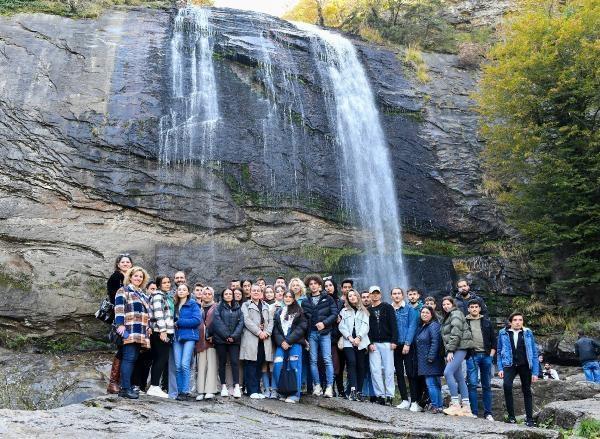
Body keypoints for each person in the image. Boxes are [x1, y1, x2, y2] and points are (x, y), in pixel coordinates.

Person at [114, 266, 151, 399]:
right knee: (128, 358)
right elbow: (119, 308)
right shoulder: (123, 290)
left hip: (141, 331)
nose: (138, 278)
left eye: (141, 276)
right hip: (129, 329)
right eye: (136, 276)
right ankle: (124, 389)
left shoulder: (143, 294)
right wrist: (120, 324)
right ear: (130, 277)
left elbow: (148, 313)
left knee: (133, 358)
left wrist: (149, 327)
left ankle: (127, 387)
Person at [497, 312, 540, 427]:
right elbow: (499, 351)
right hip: (509, 364)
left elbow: (534, 353)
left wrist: (535, 372)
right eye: (515, 320)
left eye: (520, 320)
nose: (518, 322)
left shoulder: (528, 332)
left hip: (525, 364)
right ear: (510, 322)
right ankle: (511, 417)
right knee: (507, 386)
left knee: (527, 390)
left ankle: (529, 419)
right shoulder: (503, 332)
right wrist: (500, 368)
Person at [301, 274, 337, 397]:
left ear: (320, 285)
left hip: (325, 333)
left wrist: (324, 323)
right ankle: (317, 386)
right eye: (311, 284)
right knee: (313, 360)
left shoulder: (328, 298)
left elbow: (334, 314)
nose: (313, 286)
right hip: (311, 334)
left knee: (327, 359)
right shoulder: (305, 301)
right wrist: (304, 337)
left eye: (315, 283)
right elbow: (304, 320)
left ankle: (329, 387)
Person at [441, 296, 474, 416]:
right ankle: (466, 408)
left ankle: (455, 404)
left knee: (448, 372)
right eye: (444, 304)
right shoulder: (450, 315)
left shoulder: (455, 314)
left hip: (459, 347)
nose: (446, 306)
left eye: (448, 304)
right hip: (457, 347)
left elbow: (456, 332)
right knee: (459, 377)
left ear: (453, 304)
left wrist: (450, 350)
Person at [272, 291, 308, 403]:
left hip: (295, 342)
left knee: (294, 365)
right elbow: (275, 329)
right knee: (278, 364)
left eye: (290, 297)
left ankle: (295, 394)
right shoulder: (279, 312)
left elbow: (302, 328)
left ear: (293, 299)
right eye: (286, 296)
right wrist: (281, 341)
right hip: (281, 342)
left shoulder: (299, 311)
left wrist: (288, 341)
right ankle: (282, 391)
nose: (287, 298)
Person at [106, 254, 133, 394]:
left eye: (128, 262)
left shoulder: (131, 277)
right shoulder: (116, 277)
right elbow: (115, 299)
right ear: (118, 264)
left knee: (129, 348)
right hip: (121, 318)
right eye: (123, 262)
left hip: (132, 319)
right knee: (122, 347)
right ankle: (113, 382)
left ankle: (124, 382)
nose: (126, 264)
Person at [465, 299, 496, 421]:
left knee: (486, 385)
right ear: (468, 309)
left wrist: (491, 355)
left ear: (479, 308)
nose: (474, 309)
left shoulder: (487, 322)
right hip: (472, 356)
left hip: (486, 356)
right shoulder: (464, 323)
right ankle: (474, 412)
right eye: (472, 307)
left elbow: (494, 340)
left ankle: (488, 413)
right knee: (472, 384)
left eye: (476, 307)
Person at [240, 284, 273, 399]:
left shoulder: (266, 306)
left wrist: (267, 332)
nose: (256, 292)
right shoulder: (245, 305)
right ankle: (251, 390)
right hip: (251, 338)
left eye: (258, 290)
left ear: (261, 293)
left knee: (260, 363)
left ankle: (258, 389)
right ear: (250, 292)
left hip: (264, 340)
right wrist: (259, 332)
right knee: (251, 364)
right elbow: (246, 320)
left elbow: (271, 321)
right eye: (253, 290)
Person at [367, 286, 398, 405]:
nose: (375, 295)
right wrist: (369, 343)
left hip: (387, 343)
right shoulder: (368, 310)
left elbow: (394, 324)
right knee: (375, 370)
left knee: (389, 370)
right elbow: (366, 329)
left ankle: (390, 395)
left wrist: (394, 341)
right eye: (373, 293)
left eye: (377, 293)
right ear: (370, 295)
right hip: (374, 344)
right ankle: (380, 395)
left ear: (380, 294)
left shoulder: (387, 307)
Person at [390, 287, 420, 411]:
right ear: (391, 296)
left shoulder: (409, 309)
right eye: (394, 294)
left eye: (399, 293)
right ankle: (404, 400)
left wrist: (407, 343)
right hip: (395, 345)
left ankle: (414, 401)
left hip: (407, 345)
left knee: (410, 372)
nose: (396, 295)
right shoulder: (389, 309)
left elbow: (412, 326)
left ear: (402, 296)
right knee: (399, 373)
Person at [212, 288, 244, 398]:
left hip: (234, 341)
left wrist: (233, 336)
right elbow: (217, 322)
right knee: (222, 362)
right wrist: (227, 336)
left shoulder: (238, 307)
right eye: (226, 294)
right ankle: (223, 386)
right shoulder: (218, 307)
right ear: (223, 295)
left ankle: (236, 386)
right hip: (221, 340)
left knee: (235, 362)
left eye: (230, 293)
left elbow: (241, 323)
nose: (228, 295)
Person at [338, 289, 370, 401]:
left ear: (357, 296)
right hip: (348, 342)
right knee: (351, 363)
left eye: (354, 295)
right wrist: (350, 337)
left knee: (361, 366)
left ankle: (359, 391)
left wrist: (359, 337)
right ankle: (352, 390)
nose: (352, 297)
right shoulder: (344, 311)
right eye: (349, 296)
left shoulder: (364, 311)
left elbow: (366, 326)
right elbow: (341, 326)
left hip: (361, 342)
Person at [173, 283, 202, 401]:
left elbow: (197, 320)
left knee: (185, 364)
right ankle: (180, 391)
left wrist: (179, 322)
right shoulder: (174, 305)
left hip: (190, 336)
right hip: (177, 337)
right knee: (178, 366)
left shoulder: (193, 304)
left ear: (188, 292)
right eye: (179, 289)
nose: (181, 291)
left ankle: (185, 391)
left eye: (184, 289)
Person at [147, 276, 173, 399]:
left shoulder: (164, 296)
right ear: (159, 285)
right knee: (161, 359)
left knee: (160, 359)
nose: (167, 284)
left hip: (163, 331)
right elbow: (158, 314)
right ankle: (154, 386)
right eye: (164, 283)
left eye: (168, 282)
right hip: (160, 332)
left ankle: (154, 386)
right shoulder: (158, 296)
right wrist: (163, 330)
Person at [415, 306, 444, 414]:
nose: (424, 314)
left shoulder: (433, 325)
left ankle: (435, 406)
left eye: (427, 312)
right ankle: (439, 406)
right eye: (423, 312)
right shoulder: (424, 326)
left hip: (431, 359)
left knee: (431, 383)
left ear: (432, 314)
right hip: (425, 359)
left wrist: (431, 357)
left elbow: (435, 342)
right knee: (434, 384)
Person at [195, 286, 219, 401]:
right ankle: (200, 390)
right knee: (200, 365)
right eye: (205, 293)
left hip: (212, 340)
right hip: (199, 340)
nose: (207, 296)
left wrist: (215, 336)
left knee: (212, 364)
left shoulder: (217, 307)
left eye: (209, 294)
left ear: (212, 296)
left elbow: (220, 323)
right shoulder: (197, 307)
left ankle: (210, 390)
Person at [324, 276, 345, 398]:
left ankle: (340, 389)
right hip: (326, 336)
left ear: (334, 287)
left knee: (339, 365)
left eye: (330, 285)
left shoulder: (340, 302)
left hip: (339, 336)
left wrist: (340, 318)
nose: (328, 288)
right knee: (329, 363)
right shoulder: (322, 301)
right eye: (326, 286)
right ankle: (329, 387)